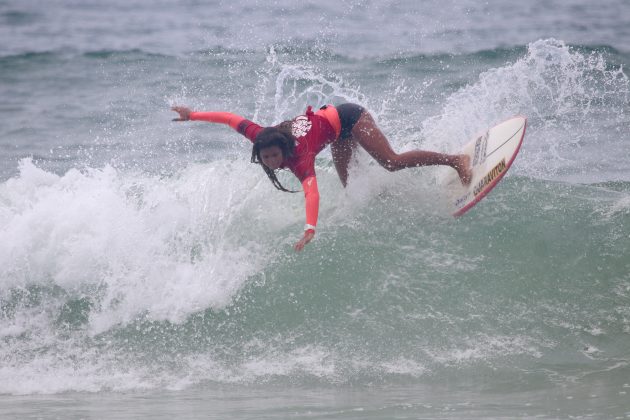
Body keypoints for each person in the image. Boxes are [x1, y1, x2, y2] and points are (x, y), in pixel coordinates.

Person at [171, 103, 471, 251]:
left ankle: (455, 161)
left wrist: (310, 228)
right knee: (354, 189)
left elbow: (311, 192)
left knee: (390, 162)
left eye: (276, 156)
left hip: (350, 117)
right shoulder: (259, 136)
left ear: (284, 149)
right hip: (336, 134)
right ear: (259, 153)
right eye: (267, 158)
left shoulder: (300, 158)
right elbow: (229, 119)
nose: (273, 162)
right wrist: (192, 115)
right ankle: (403, 201)